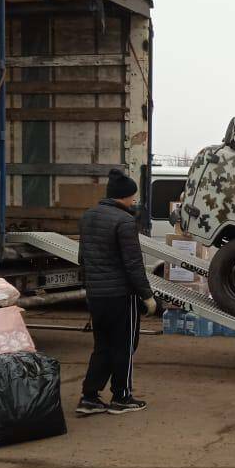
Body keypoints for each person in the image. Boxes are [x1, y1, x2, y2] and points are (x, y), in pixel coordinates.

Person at [76, 169, 158, 416]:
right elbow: (133, 264)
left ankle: (89, 397)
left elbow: (83, 258)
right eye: (132, 196)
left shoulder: (88, 217)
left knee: (102, 346)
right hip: (121, 296)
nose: (134, 200)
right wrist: (147, 296)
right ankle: (122, 396)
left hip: (97, 296)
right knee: (124, 346)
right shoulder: (124, 221)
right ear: (123, 196)